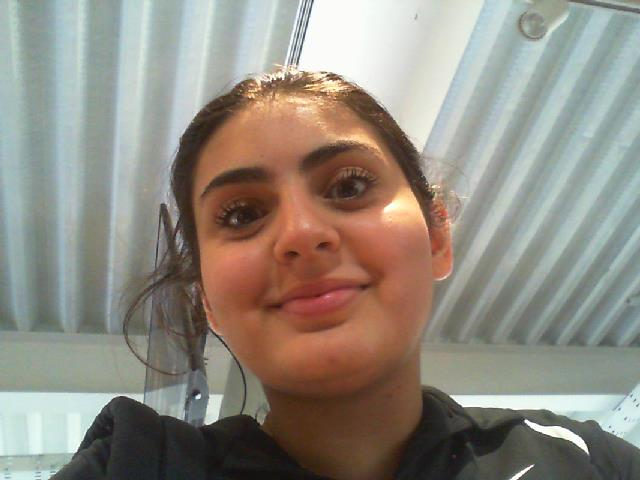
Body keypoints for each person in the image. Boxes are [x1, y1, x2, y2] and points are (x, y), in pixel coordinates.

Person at [52, 68, 640, 480]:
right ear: (207, 300)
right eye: (242, 214)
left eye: (350, 186)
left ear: (437, 236)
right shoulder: (137, 465)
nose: (302, 233)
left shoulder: (582, 460)